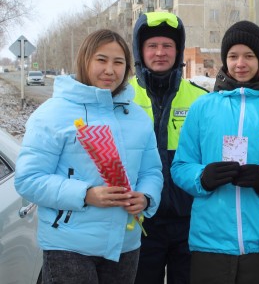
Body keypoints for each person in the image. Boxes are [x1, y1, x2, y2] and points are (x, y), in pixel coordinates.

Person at [15, 29, 163, 284]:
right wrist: (85, 194)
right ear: (85, 61)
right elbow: (28, 179)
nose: (110, 70)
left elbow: (152, 172)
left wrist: (147, 198)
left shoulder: (137, 116)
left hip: (125, 246)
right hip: (69, 246)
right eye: (101, 60)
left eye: (118, 62)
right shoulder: (52, 113)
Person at [171, 20, 259, 284]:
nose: (240, 63)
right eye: (233, 56)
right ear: (225, 60)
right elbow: (181, 166)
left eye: (249, 56)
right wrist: (202, 177)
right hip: (210, 244)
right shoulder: (203, 107)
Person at [130, 12, 208, 284]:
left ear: (178, 51)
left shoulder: (201, 99)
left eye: (167, 46)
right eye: (152, 46)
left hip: (189, 223)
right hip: (137, 224)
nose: (160, 52)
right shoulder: (121, 97)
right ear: (140, 51)